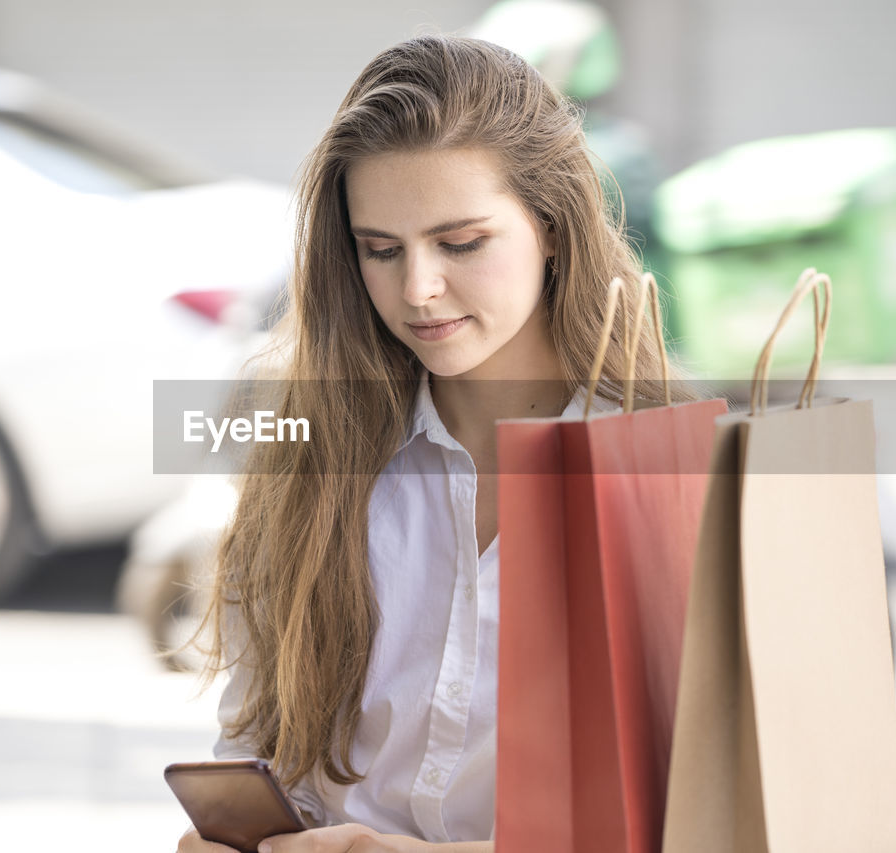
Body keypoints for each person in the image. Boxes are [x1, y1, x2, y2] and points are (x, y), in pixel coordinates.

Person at [177, 33, 687, 853]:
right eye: (381, 250)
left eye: (461, 243)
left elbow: (703, 819)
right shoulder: (309, 461)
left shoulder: (671, 474)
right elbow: (260, 756)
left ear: (552, 226)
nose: (417, 289)